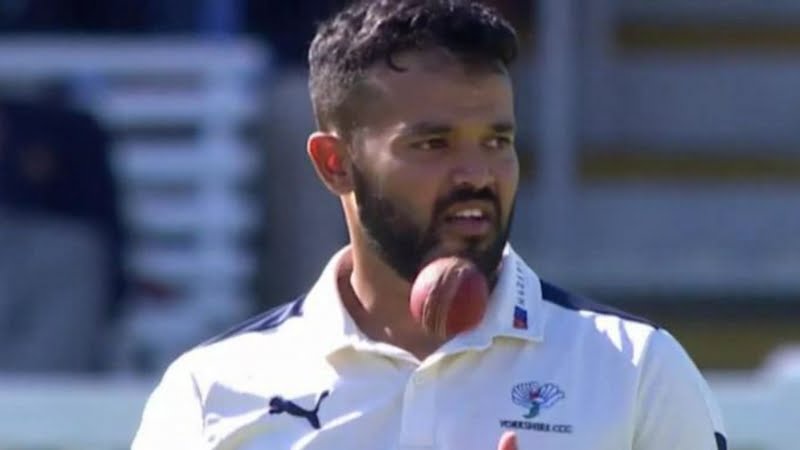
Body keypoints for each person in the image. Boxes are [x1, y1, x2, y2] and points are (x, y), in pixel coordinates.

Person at [133, 1, 727, 449]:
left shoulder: (635, 367)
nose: (477, 174)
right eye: (433, 144)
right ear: (335, 164)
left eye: (497, 141)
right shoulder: (210, 390)